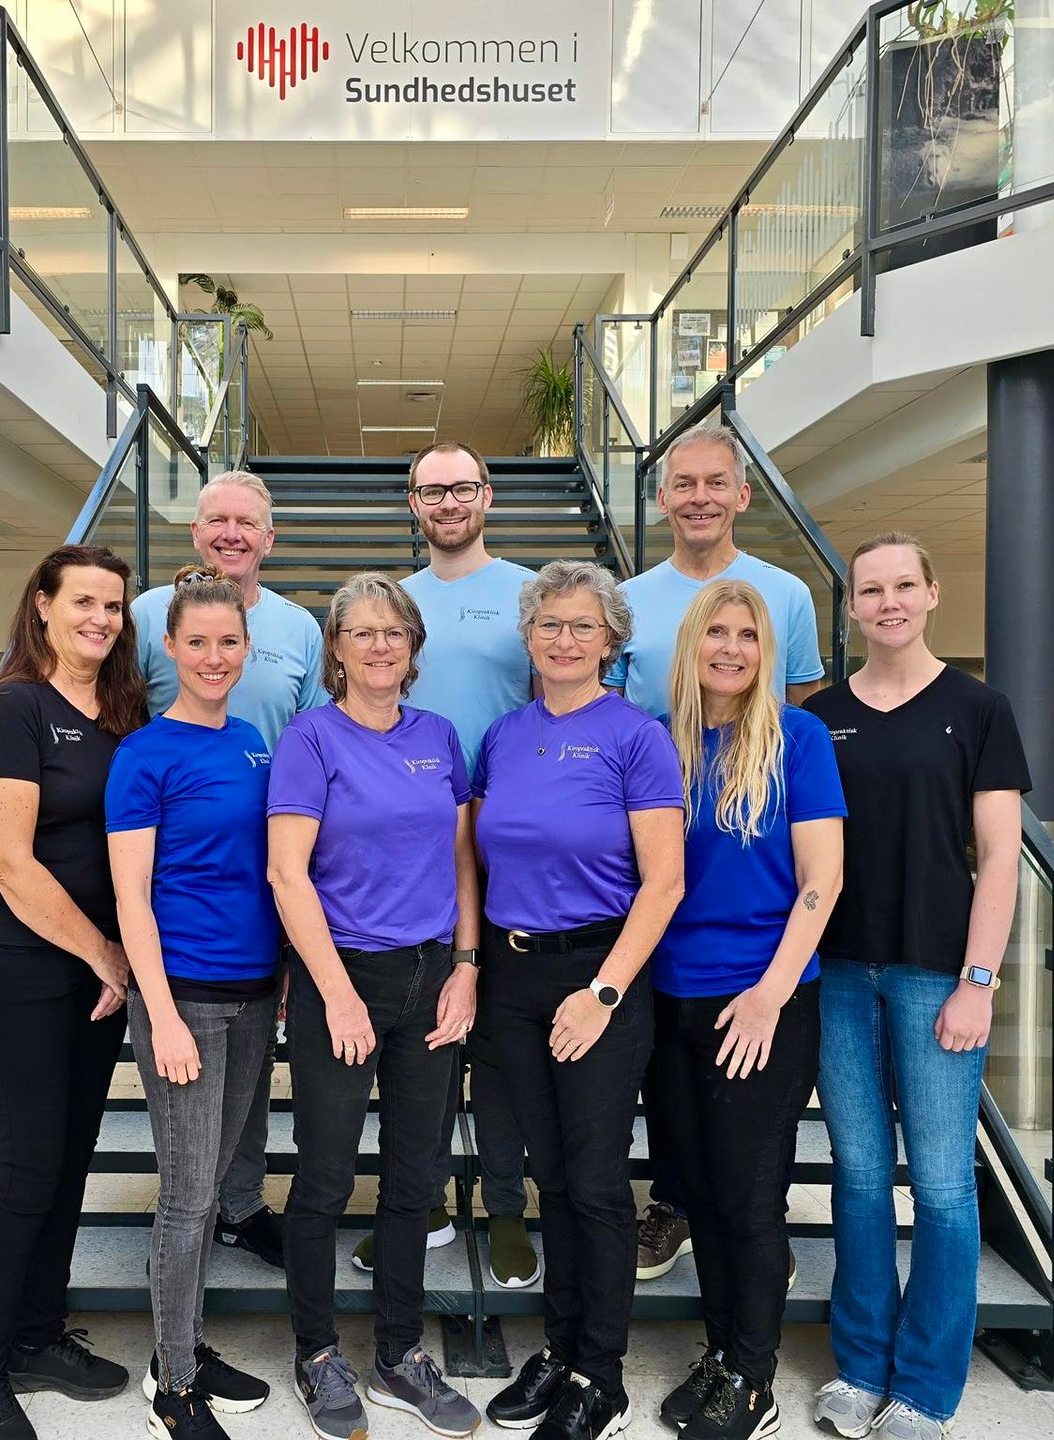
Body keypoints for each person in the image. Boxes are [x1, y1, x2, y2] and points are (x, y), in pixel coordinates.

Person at [803, 534, 1030, 1440]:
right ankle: (860, 1367)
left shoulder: (979, 709)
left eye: (904, 585)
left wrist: (980, 982)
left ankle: (927, 1385)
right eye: (871, 589)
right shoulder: (820, 716)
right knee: (859, 1178)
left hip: (939, 974)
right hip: (842, 976)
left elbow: (1002, 858)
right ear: (851, 606)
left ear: (932, 594)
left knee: (940, 1185)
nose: (888, 601)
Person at [268, 572, 485, 1440]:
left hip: (432, 977)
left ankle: (398, 1352)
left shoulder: (440, 736)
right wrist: (335, 994)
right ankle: (318, 1352)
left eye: (395, 632)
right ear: (337, 649)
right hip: (339, 979)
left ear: (413, 648)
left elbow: (466, 861)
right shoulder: (309, 740)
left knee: (414, 1179)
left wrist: (467, 965)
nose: (381, 646)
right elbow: (289, 874)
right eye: (363, 632)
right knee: (322, 1180)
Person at [474, 560, 686, 1440]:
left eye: (583, 626)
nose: (565, 640)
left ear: (613, 640)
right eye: (550, 625)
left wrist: (602, 991)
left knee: (597, 1183)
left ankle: (601, 1374)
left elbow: (665, 882)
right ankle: (559, 1350)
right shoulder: (502, 735)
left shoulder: (637, 737)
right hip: (511, 974)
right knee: (548, 1176)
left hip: (599, 972)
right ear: (528, 637)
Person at [609, 426, 825, 1284]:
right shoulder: (630, 602)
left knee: (745, 1157)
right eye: (682, 483)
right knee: (672, 1097)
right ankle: (676, 1204)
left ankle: (749, 1247)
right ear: (661, 498)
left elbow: (796, 710)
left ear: (742, 494)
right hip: (668, 914)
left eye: (716, 483)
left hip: (760, 907)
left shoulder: (788, 598)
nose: (698, 496)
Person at [0, 545, 145, 1440]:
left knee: (67, 1165)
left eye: (113, 607)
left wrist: (117, 958)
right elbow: (11, 864)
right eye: (84, 603)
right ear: (42, 607)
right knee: (27, 1173)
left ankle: (35, 1335)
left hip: (92, 978)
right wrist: (106, 955)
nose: (99, 619)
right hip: (17, 969)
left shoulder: (121, 710)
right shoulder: (13, 708)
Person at [648, 580, 845, 1440]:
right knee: (697, 1192)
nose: (730, 648)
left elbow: (822, 880)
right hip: (668, 1000)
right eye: (715, 633)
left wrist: (769, 994)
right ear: (690, 646)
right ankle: (721, 1352)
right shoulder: (664, 746)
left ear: (767, 652)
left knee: (748, 1197)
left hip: (761, 999)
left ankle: (752, 1380)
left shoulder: (796, 739)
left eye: (748, 636)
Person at [131, 470, 328, 1271]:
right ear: (196, 532)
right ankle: (190, 1208)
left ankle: (240, 1204)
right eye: (217, 519)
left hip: (270, 874)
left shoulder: (300, 629)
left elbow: (315, 742)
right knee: (186, 1058)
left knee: (251, 1055)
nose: (232, 533)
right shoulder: (147, 616)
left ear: (269, 540)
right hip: (176, 874)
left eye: (248, 522)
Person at [107, 564, 282, 1440]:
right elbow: (132, 897)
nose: (214, 657)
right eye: (197, 643)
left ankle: (187, 1343)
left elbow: (274, 871)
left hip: (255, 995)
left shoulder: (255, 740)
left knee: (214, 1183)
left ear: (247, 649)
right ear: (169, 649)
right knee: (185, 1194)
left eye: (228, 643)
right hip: (188, 1000)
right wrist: (163, 1011)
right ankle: (173, 1382)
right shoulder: (144, 754)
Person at [388, 441, 538, 1290]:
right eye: (431, 489)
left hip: (511, 832)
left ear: (488, 493)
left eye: (462, 486)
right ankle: (428, 1198)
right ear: (413, 504)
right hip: (413, 839)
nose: (448, 501)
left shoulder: (527, 594)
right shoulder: (394, 603)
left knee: (506, 1040)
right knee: (422, 1032)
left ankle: (508, 1206)